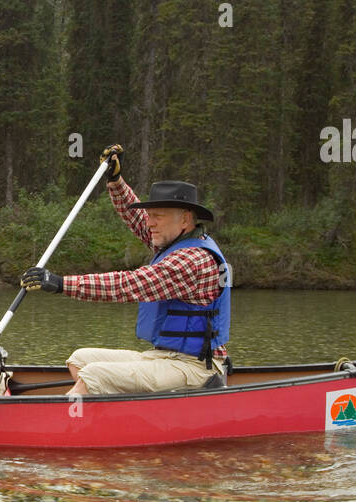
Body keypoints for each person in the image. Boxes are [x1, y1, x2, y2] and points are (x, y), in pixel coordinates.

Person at [21, 145, 231, 395]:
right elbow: (137, 220)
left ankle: (64, 422)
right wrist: (115, 180)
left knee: (94, 374)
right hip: (163, 358)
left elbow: (129, 285)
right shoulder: (174, 240)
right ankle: (123, 417)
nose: (150, 222)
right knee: (80, 359)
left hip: (195, 367)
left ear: (185, 220)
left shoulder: (192, 261)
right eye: (149, 215)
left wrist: (61, 283)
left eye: (158, 216)